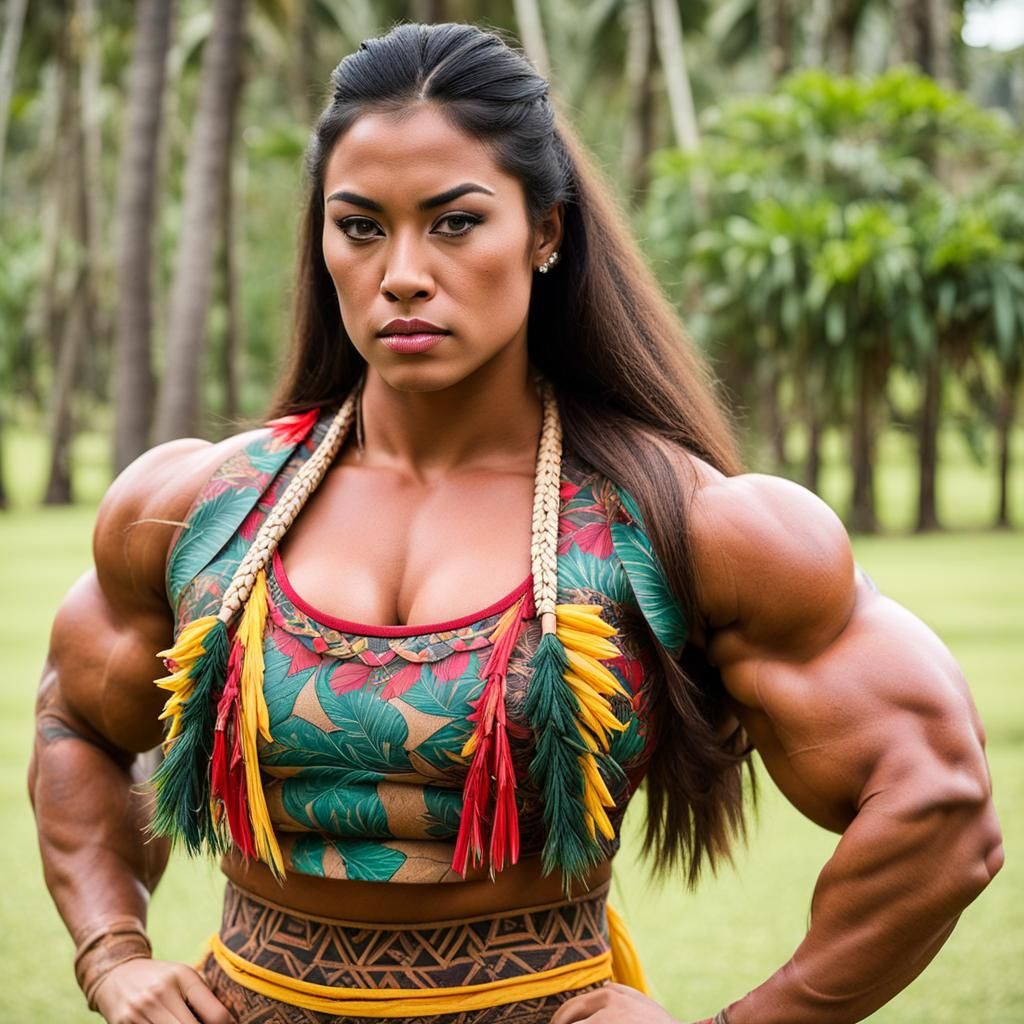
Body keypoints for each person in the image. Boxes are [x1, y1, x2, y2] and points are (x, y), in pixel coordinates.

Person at [29, 20, 1002, 1024]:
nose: (401, 270)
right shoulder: (196, 507)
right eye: (359, 226)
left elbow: (939, 807)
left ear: (545, 231)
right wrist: (114, 954)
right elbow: (76, 721)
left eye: (454, 222)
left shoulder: (688, 527)